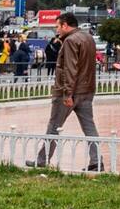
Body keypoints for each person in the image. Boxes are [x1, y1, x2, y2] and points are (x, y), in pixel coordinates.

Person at [26, 13, 102, 171]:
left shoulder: (70, 41)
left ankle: (42, 160)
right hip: (86, 90)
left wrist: (67, 93)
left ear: (65, 25)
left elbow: (70, 68)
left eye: (58, 26)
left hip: (69, 92)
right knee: (89, 127)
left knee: (54, 125)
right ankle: (96, 161)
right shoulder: (88, 38)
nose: (57, 30)